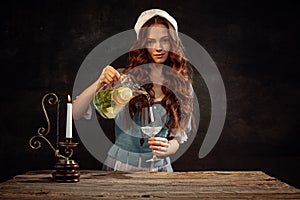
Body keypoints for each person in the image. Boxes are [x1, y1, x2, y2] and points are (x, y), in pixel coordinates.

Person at [73, 8, 194, 172]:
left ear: (173, 43)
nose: (158, 47)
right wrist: (99, 82)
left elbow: (177, 140)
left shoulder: (182, 86)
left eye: (164, 40)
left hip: (160, 170)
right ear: (143, 44)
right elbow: (75, 112)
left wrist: (168, 148)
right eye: (151, 41)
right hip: (121, 168)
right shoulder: (124, 79)